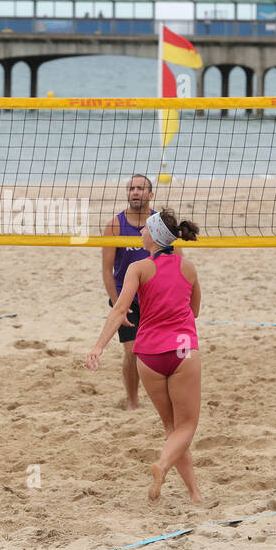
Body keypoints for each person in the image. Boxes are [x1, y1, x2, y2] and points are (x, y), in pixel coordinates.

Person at [87, 209, 203, 503]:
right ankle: (163, 466)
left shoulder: (137, 268)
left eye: (145, 230)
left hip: (148, 353)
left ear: (154, 236)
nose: (140, 233)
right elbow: (196, 311)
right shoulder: (187, 267)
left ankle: (194, 493)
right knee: (186, 426)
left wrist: (99, 346)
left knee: (171, 428)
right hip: (181, 349)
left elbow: (118, 310)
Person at [101, 174, 156, 409]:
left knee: (158, 352)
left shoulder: (159, 223)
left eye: (140, 188)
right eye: (131, 188)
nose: (135, 192)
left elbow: (176, 260)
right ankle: (133, 402)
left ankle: (159, 398)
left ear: (150, 195)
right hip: (127, 299)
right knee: (132, 352)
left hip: (156, 298)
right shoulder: (115, 225)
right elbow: (106, 270)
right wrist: (117, 306)